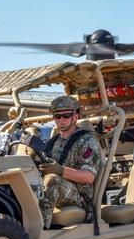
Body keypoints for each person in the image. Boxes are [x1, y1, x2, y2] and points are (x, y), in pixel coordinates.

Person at [38, 95, 103, 229]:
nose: (61, 119)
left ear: (76, 116)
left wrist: (60, 170)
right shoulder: (52, 142)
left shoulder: (88, 141)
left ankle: (41, 232)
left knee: (52, 180)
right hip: (56, 192)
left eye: (66, 115)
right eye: (57, 116)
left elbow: (88, 177)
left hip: (80, 197)